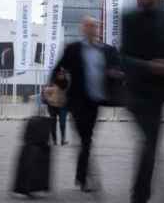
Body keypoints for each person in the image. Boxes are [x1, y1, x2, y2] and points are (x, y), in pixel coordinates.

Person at [122, 0, 164, 203]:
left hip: (159, 95)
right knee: (149, 143)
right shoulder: (130, 18)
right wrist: (150, 66)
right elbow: (124, 58)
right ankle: (140, 196)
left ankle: (143, 194)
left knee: (152, 145)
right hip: (137, 94)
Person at [50, 16, 122, 193]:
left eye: (94, 26)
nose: (91, 29)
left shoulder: (105, 51)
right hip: (77, 102)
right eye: (88, 26)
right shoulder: (74, 49)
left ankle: (81, 176)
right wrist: (59, 83)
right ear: (82, 29)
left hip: (95, 101)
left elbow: (119, 70)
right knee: (86, 139)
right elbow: (58, 69)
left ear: (97, 29)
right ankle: (83, 178)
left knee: (87, 138)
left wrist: (115, 75)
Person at [43, 69, 69, 146]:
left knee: (63, 123)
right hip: (52, 106)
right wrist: (49, 100)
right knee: (53, 123)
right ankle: (54, 140)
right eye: (59, 74)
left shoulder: (67, 83)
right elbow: (45, 91)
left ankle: (63, 139)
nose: (61, 75)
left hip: (63, 106)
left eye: (62, 74)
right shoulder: (52, 83)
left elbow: (70, 94)